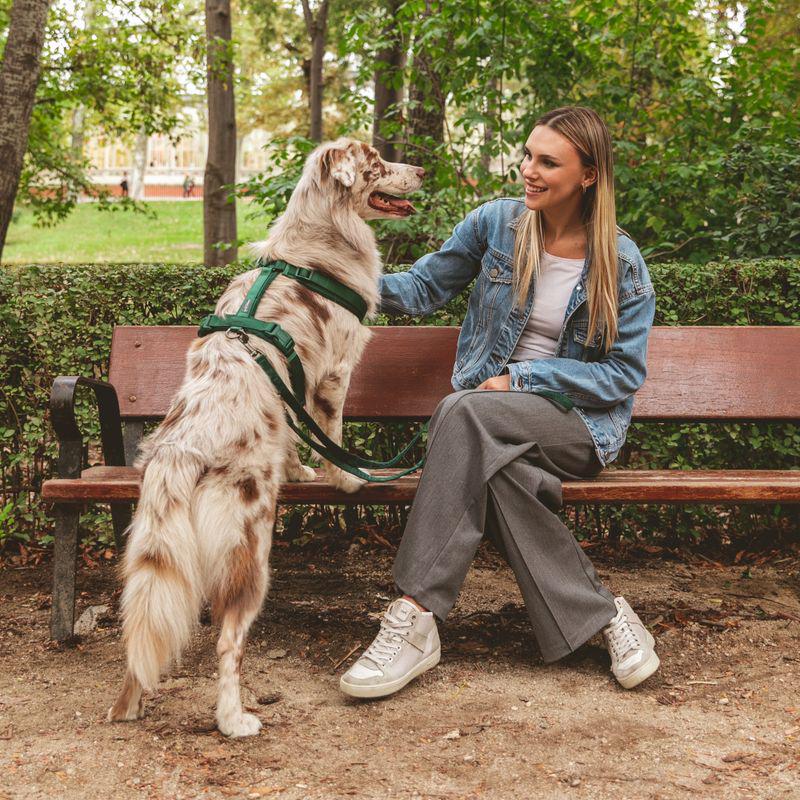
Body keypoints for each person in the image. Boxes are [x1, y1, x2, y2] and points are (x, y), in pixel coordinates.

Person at [339, 106, 659, 700]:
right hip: (490, 423)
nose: (527, 171)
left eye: (547, 162)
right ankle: (606, 613)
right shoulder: (496, 225)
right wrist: (330, 272)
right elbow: (422, 287)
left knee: (461, 411)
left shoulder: (620, 259)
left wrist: (523, 380)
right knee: (496, 466)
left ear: (588, 175)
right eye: (526, 156)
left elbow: (621, 375)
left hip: (577, 426)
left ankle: (415, 612)